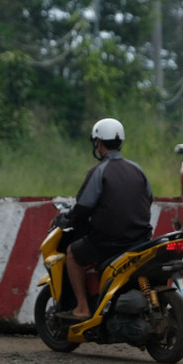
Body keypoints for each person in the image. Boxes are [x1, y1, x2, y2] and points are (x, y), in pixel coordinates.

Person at [55, 118, 153, 320]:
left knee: (73, 254)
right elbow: (148, 198)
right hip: (141, 239)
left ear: (98, 142)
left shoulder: (99, 172)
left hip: (109, 242)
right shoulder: (138, 169)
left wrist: (63, 220)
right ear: (120, 142)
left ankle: (82, 307)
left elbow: (82, 209)